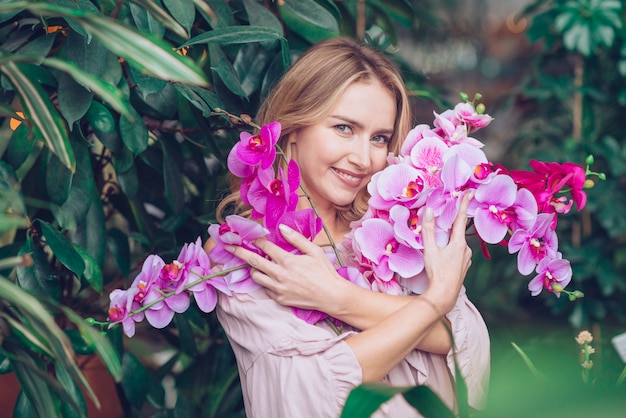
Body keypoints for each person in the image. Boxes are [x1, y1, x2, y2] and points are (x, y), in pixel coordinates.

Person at [206, 37, 490, 417]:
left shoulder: (393, 228)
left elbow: (466, 340)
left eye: (379, 138)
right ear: (293, 129)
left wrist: (338, 298)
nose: (362, 158)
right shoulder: (246, 252)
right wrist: (434, 302)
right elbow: (318, 383)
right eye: (343, 128)